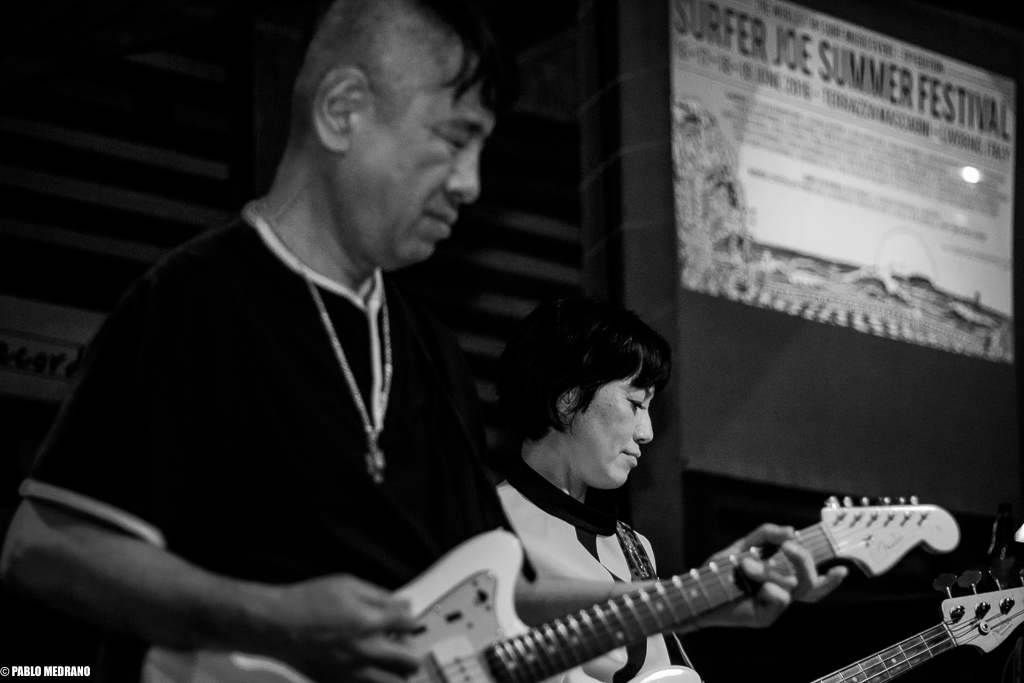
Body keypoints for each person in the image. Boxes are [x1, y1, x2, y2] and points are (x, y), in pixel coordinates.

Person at [1, 2, 840, 682]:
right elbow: (39, 546)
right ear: (343, 111)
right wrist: (269, 616)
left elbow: (504, 592)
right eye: (452, 139)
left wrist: (698, 598)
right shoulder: (196, 298)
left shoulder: (427, 348)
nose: (470, 184)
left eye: (481, 149)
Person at [496, 297, 849, 683]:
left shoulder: (634, 546)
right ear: (567, 399)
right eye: (635, 403)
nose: (646, 432)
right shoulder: (489, 530)